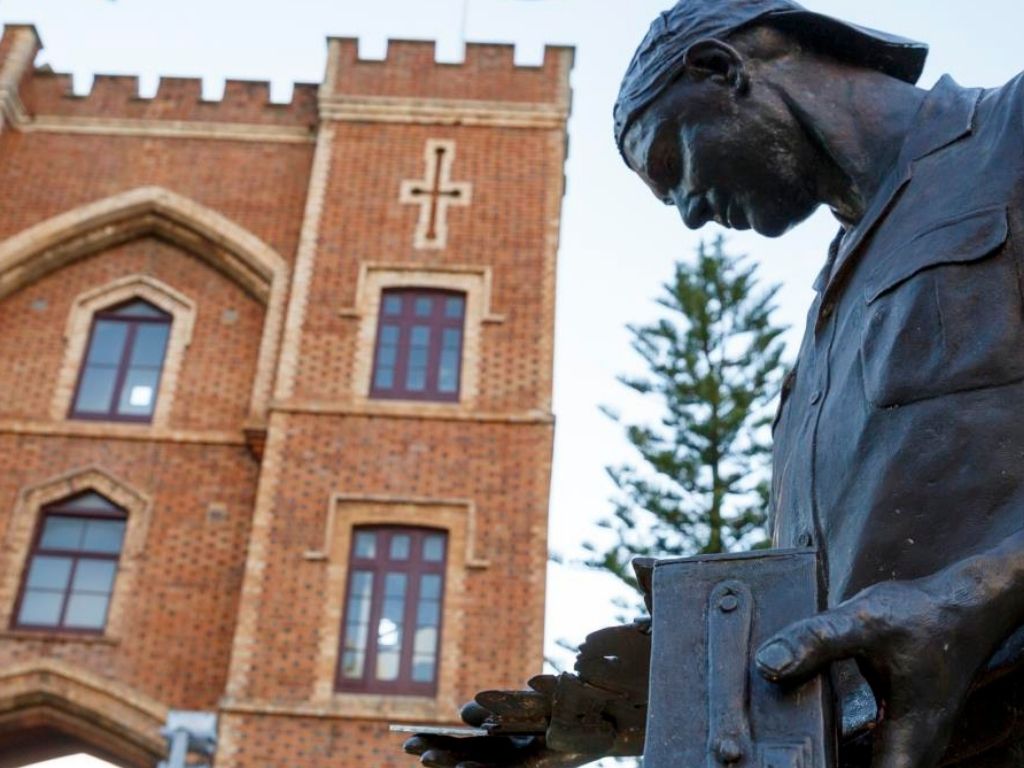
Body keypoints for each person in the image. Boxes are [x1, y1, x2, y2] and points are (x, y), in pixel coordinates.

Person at [406, 2, 1024, 766]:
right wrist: (583, 724)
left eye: (673, 166)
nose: (692, 215)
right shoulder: (822, 338)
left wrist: (979, 593)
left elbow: (948, 585)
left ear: (720, 71)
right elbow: (817, 627)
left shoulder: (1012, 137)